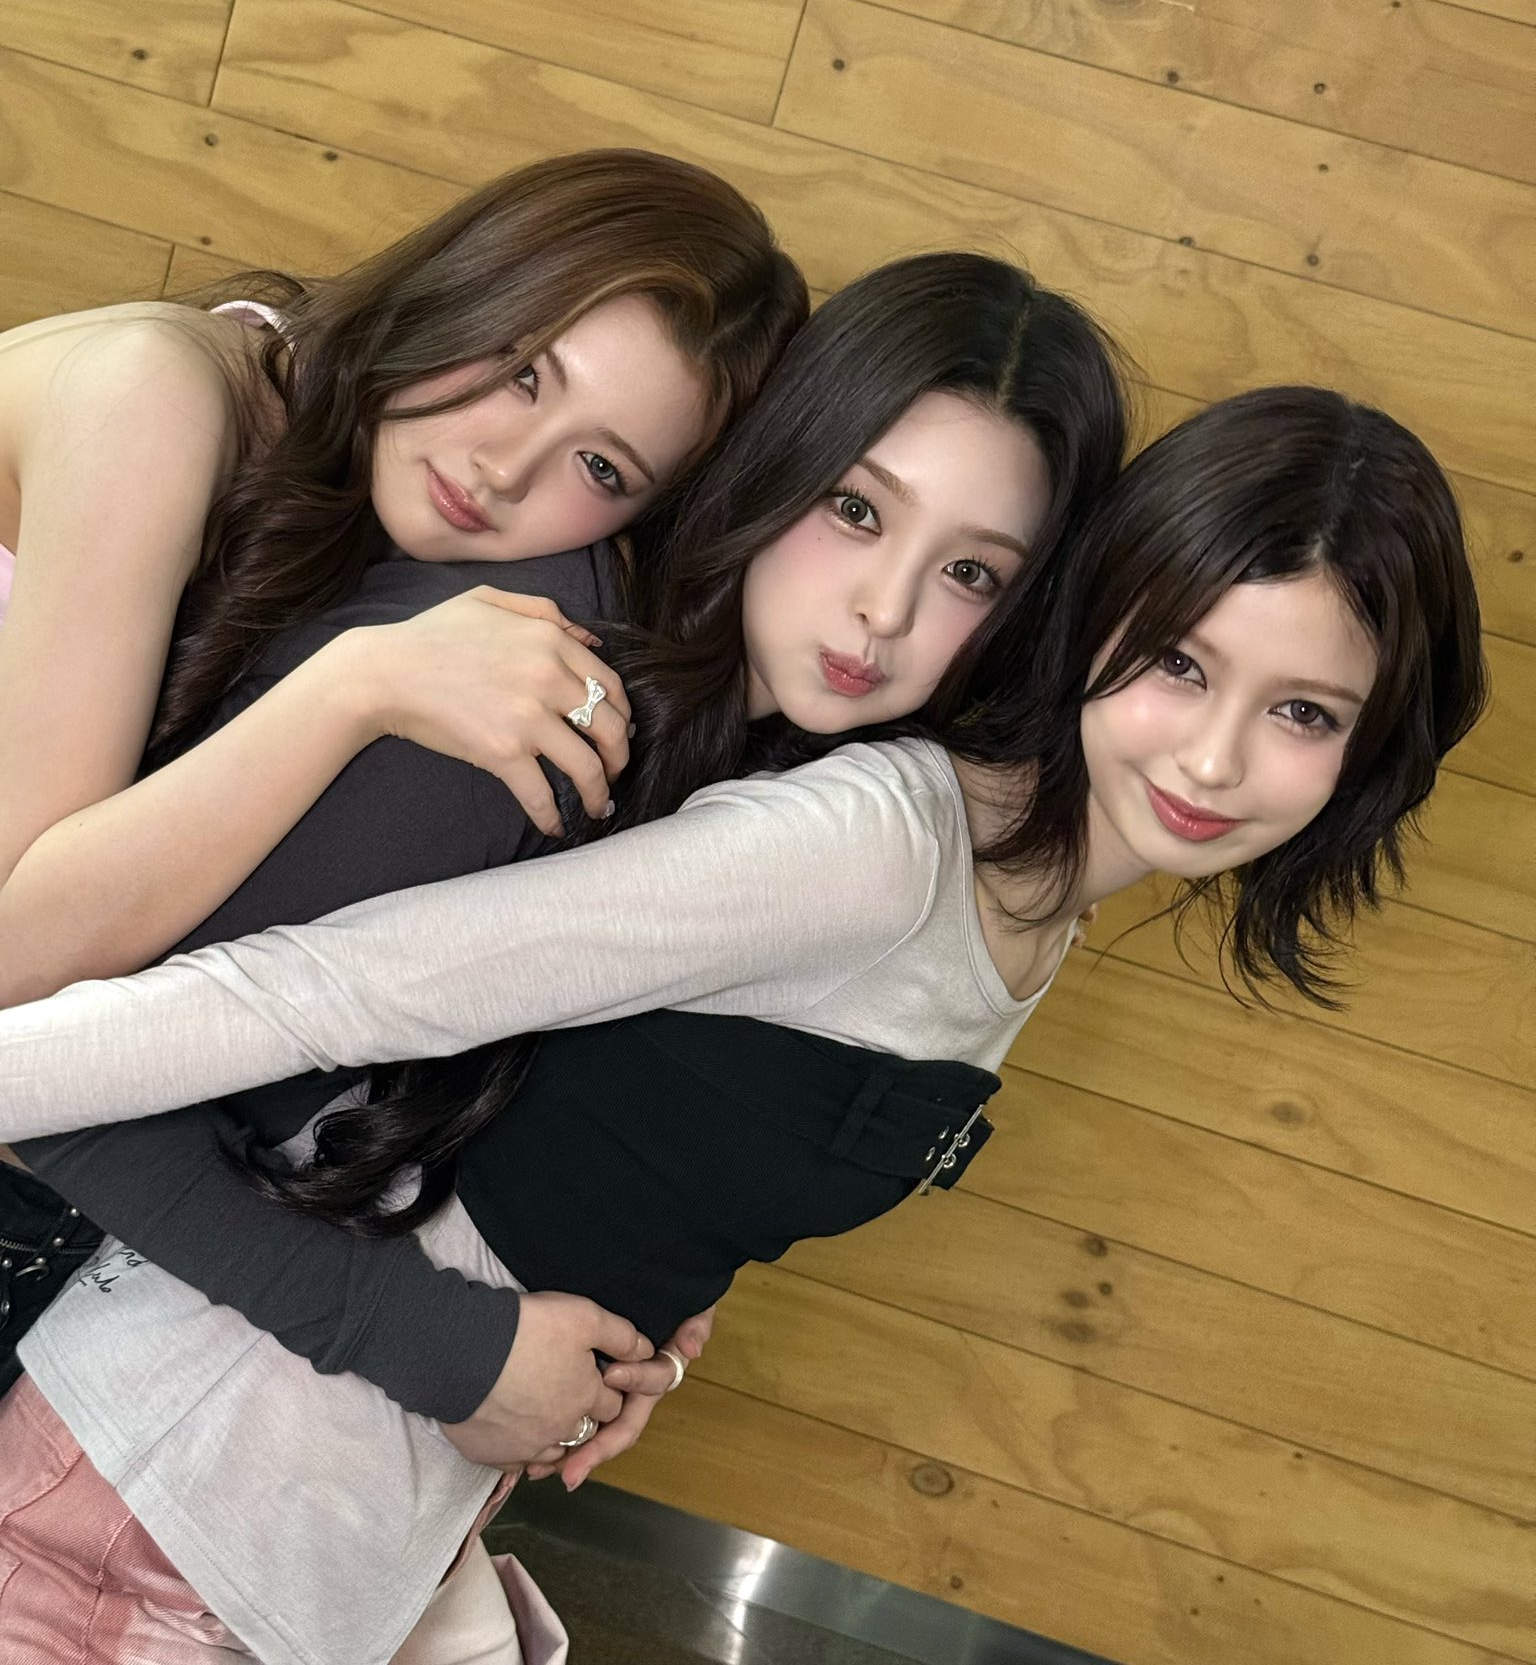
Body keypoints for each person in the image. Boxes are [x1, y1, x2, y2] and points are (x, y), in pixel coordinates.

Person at [0, 385, 1485, 1663]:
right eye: (1183, 665)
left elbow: (658, 1120)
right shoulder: (879, 846)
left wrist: (656, 1303)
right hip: (144, 1518)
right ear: (1098, 616)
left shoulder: (1034, 905)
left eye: (1305, 712)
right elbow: (316, 988)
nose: (1215, 759)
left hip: (316, 1546)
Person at [0, 146, 807, 1389]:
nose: (504, 468)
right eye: (523, 369)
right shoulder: (154, 398)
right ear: (471, 280)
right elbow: (16, 970)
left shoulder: (367, 495)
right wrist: (358, 685)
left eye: (601, 467)